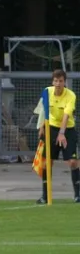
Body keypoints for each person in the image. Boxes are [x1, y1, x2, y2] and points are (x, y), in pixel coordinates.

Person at [36, 69, 79, 203]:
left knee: (72, 162)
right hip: (51, 128)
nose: (58, 84)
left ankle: (78, 195)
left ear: (64, 82)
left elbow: (66, 115)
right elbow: (43, 111)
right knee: (46, 162)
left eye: (61, 81)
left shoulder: (70, 95)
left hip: (68, 129)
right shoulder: (47, 92)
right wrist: (42, 127)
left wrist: (62, 133)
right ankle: (45, 196)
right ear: (52, 81)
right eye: (56, 81)